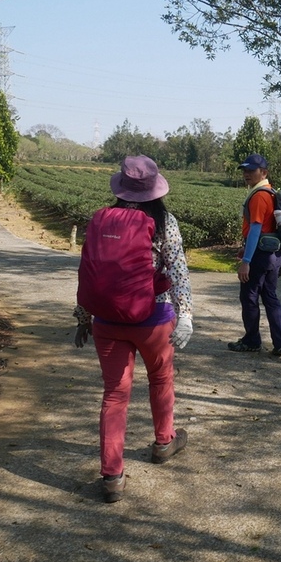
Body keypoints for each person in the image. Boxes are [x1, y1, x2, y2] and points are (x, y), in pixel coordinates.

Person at [73, 155, 193, 503]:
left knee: (114, 394)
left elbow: (90, 273)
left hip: (106, 321)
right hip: (153, 319)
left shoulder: (100, 220)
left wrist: (83, 317)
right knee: (161, 379)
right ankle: (164, 442)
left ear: (121, 187)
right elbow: (178, 270)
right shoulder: (164, 221)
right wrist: (185, 315)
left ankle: (112, 476)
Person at [228, 153, 281, 357]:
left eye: (251, 170)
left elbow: (256, 229)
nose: (246, 174)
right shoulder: (270, 192)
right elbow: (266, 229)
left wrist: (246, 261)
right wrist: (246, 249)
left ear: (263, 172)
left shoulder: (259, 196)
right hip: (274, 254)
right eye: (244, 170)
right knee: (270, 297)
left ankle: (252, 341)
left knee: (249, 297)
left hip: (260, 256)